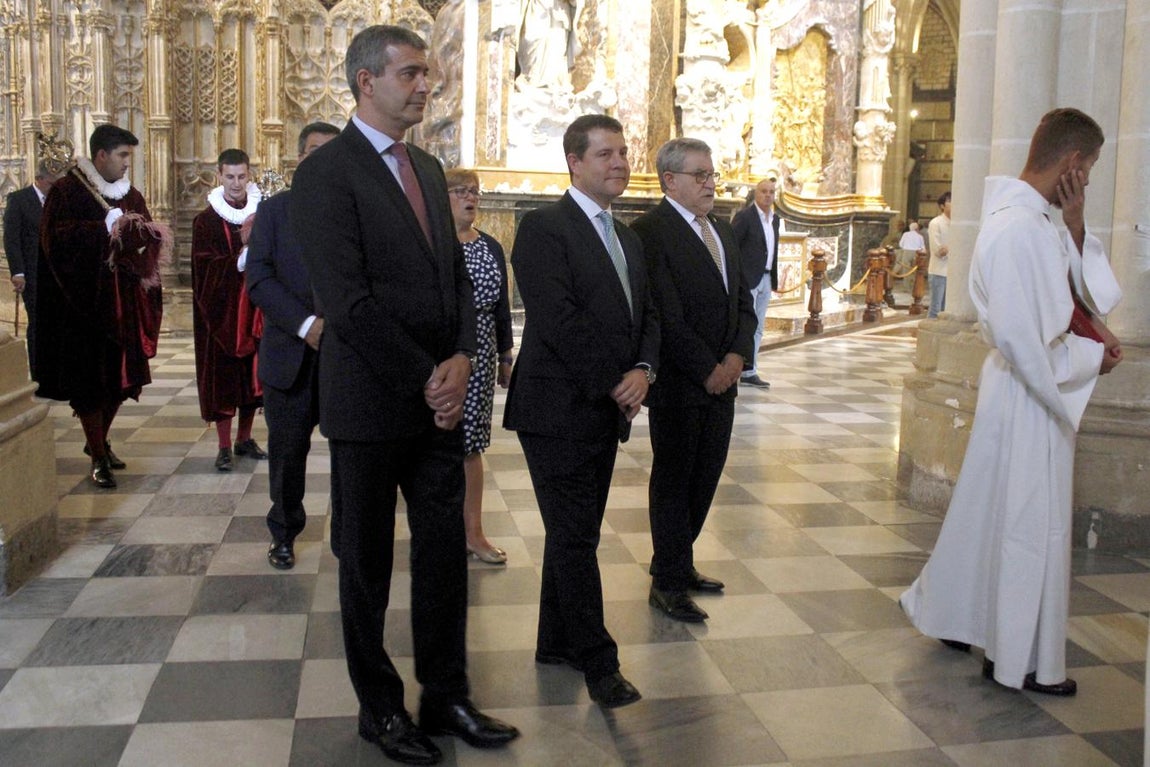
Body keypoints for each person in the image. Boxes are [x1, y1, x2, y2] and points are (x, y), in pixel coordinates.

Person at [290, 25, 519, 765]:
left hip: (438, 399)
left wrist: (459, 353)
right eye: (412, 73)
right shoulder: (327, 174)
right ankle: (380, 708)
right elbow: (345, 301)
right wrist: (431, 375)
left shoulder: (424, 162)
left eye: (428, 73)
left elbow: (452, 274)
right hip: (370, 400)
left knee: (444, 553)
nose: (427, 85)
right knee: (365, 561)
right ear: (366, 81)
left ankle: (445, 693)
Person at [900, 107, 1123, 697]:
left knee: (987, 511)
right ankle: (1017, 657)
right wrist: (1088, 358)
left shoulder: (1033, 219)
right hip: (1029, 394)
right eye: (1092, 167)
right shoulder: (1022, 228)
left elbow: (1071, 298)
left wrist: (1075, 227)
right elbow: (1031, 343)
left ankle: (955, 614)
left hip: (1015, 390)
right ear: (1073, 163)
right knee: (1028, 524)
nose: (1090, 179)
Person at [504, 114, 659, 709]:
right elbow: (559, 318)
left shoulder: (629, 236)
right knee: (574, 537)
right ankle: (599, 663)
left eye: (622, 153)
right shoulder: (544, 228)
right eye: (605, 154)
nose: (619, 163)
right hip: (556, 408)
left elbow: (649, 315)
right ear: (574, 161)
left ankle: (556, 641)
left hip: (603, 406)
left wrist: (644, 370)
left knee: (577, 534)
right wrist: (614, 383)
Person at [630, 138, 757, 623]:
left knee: (705, 477)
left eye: (711, 174)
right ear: (670, 180)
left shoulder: (721, 231)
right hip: (683, 384)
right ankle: (666, 582)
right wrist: (708, 368)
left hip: (723, 381)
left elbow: (741, 303)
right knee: (674, 481)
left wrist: (737, 357)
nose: (711, 183)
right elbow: (664, 313)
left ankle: (679, 564)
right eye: (700, 175)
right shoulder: (650, 232)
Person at [35, 124, 167, 489]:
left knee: (120, 382)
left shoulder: (130, 194)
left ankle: (99, 441)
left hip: (124, 305)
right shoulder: (67, 191)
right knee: (91, 385)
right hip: (83, 308)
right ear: (102, 155)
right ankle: (97, 454)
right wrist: (100, 230)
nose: (127, 164)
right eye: (123, 156)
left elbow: (144, 234)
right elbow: (53, 241)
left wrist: (140, 236)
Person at [246, 122, 340, 571]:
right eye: (315, 151)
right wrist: (306, 325)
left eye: (333, 152)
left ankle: (348, 534)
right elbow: (259, 279)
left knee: (351, 454)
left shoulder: (354, 210)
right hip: (290, 355)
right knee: (286, 454)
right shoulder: (275, 212)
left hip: (346, 358)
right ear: (299, 158)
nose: (322, 159)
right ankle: (283, 532)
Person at [445, 167, 514, 565]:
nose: (470, 198)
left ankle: (473, 533)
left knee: (472, 446)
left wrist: (505, 355)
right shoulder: (433, 242)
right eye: (460, 191)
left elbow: (502, 306)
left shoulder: (489, 245)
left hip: (483, 355)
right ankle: (439, 528)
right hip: (444, 353)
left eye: (474, 191)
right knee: (437, 445)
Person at [191, 148, 265, 472]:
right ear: (219, 176)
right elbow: (202, 267)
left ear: (249, 175)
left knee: (252, 379)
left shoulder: (263, 213)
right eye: (230, 177)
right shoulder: (205, 220)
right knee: (222, 380)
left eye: (242, 176)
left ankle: (244, 439)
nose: (236, 184)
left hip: (256, 310)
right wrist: (237, 262)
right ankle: (223, 445)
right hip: (219, 313)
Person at [4, 161, 60, 378]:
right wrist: (17, 272)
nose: (55, 188)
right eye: (52, 183)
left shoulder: (58, 202)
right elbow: (12, 239)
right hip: (33, 273)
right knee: (38, 323)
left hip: (57, 275)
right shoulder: (19, 200)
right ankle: (40, 374)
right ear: (40, 179)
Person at [732, 177, 781, 389]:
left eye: (771, 192)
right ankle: (741, 367)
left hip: (766, 277)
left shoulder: (775, 219)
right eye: (763, 191)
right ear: (756, 193)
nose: (768, 195)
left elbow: (772, 249)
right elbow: (732, 246)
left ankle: (750, 370)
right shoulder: (745, 217)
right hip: (748, 279)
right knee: (746, 324)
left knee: (759, 326)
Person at [927, 191, 951, 317]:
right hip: (939, 271)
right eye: (950, 201)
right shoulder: (936, 223)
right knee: (936, 308)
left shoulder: (957, 223)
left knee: (946, 309)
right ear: (942, 206)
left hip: (952, 273)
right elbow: (938, 250)